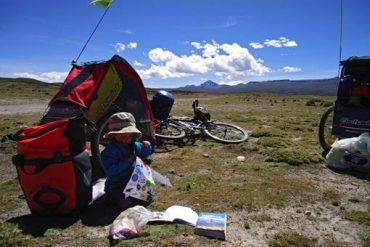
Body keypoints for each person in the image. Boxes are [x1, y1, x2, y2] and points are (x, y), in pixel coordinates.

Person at [100, 112, 153, 210]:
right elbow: (110, 171)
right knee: (125, 204)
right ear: (113, 135)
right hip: (116, 186)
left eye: (129, 136)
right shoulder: (109, 152)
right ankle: (109, 197)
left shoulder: (135, 145)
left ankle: (133, 196)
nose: (127, 139)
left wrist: (146, 147)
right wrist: (126, 162)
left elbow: (142, 155)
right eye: (122, 135)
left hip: (134, 182)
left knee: (146, 198)